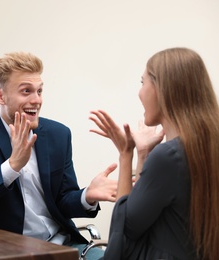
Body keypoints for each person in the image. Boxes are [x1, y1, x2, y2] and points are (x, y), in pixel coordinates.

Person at [0, 51, 118, 259]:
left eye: (39, 91)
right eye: (26, 91)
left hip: (60, 245)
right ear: (0, 96)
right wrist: (11, 167)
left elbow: (63, 200)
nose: (36, 100)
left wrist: (87, 196)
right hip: (6, 251)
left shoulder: (59, 134)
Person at [90, 47, 219, 259]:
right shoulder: (203, 147)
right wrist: (143, 153)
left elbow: (127, 228)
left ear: (162, 89)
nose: (139, 92)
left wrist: (125, 153)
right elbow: (146, 209)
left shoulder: (168, 156)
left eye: (142, 83)